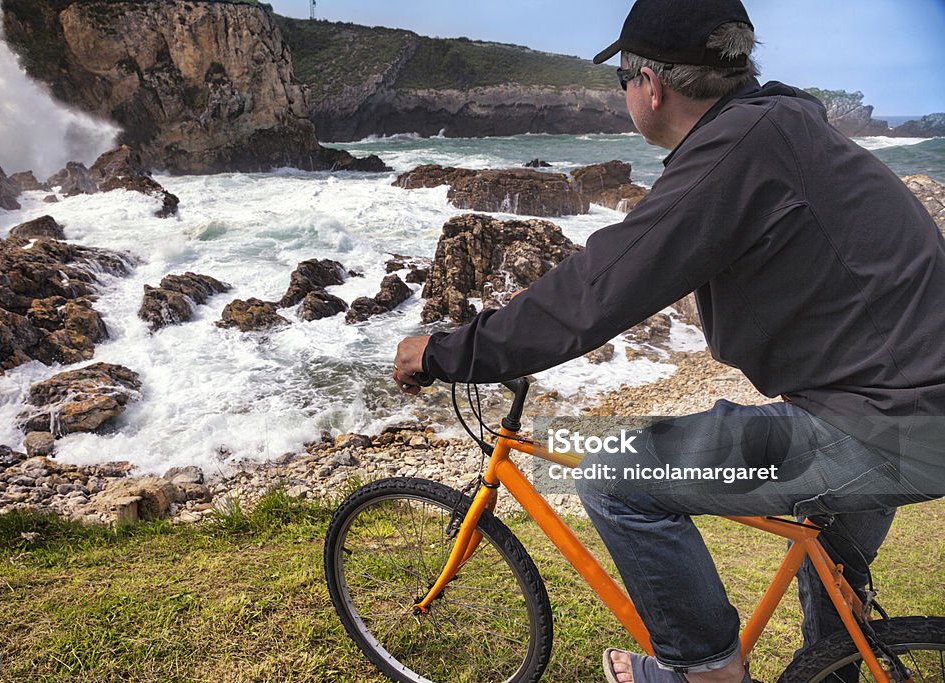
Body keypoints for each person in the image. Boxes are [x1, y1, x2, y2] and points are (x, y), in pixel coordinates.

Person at [393, 0, 945, 682]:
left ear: (651, 83)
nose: (625, 92)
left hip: (885, 423)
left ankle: (705, 674)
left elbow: (600, 287)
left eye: (621, 77)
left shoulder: (735, 153)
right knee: (833, 594)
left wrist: (447, 351)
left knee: (608, 473)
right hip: (907, 403)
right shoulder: (781, 130)